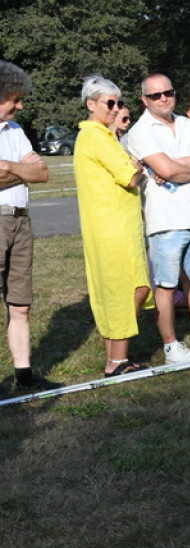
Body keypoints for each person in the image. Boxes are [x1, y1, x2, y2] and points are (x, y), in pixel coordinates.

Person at [121, 73, 190, 363]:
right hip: (166, 219)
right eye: (155, 95)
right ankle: (171, 346)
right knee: (167, 286)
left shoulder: (185, 124)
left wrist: (175, 164)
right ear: (144, 100)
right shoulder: (140, 131)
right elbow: (167, 170)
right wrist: (175, 167)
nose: (163, 98)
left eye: (167, 92)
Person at [72, 75, 152, 377]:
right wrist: (138, 168)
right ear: (91, 105)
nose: (115, 108)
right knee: (132, 289)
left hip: (112, 225)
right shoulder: (95, 136)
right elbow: (130, 175)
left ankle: (115, 356)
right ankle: (116, 361)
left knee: (115, 290)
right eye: (109, 102)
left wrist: (133, 167)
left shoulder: (100, 136)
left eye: (118, 102)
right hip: (113, 227)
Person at [0, 60, 58, 391]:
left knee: (20, 303)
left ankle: (24, 374)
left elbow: (43, 174)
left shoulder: (17, 131)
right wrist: (22, 169)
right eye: (14, 98)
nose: (20, 105)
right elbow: (29, 172)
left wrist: (7, 166)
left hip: (22, 222)